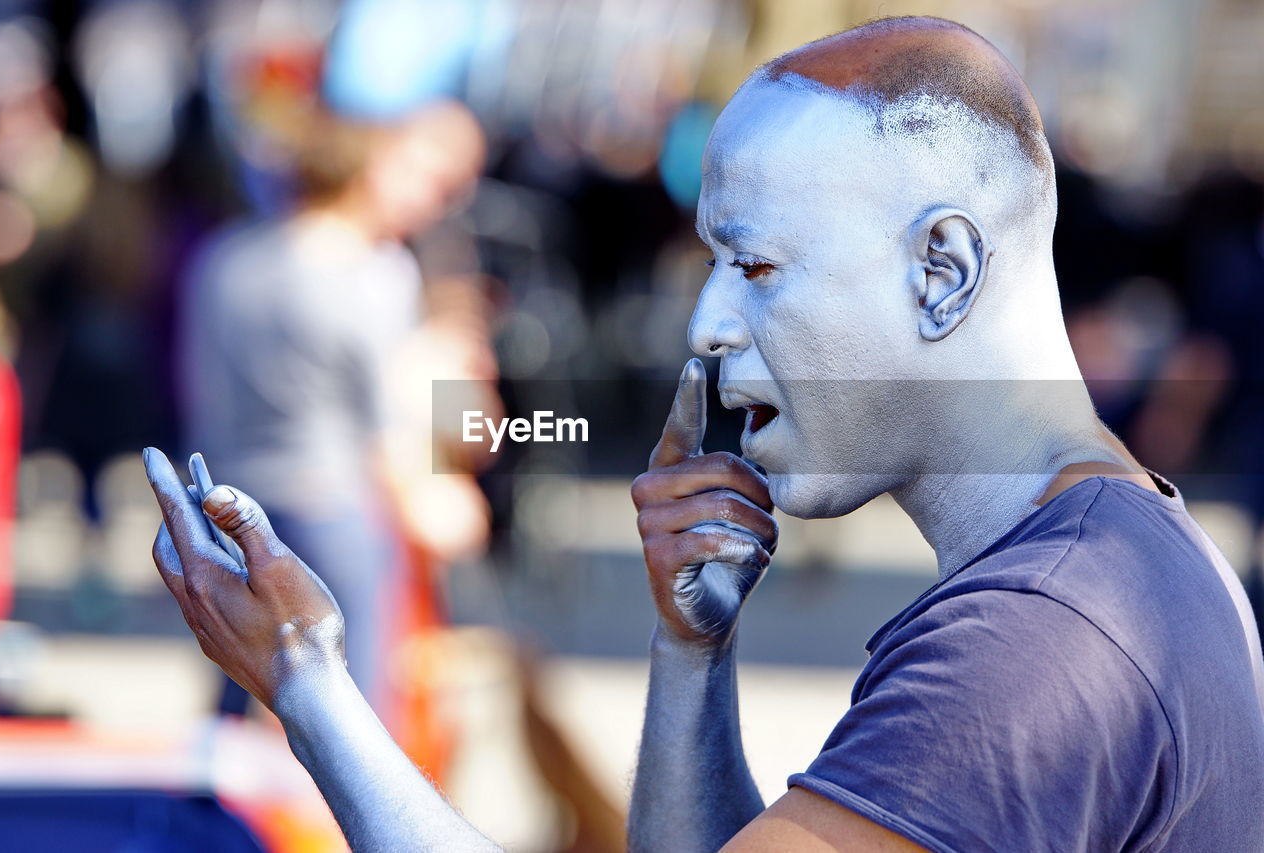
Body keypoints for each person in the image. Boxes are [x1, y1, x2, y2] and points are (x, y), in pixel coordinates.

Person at [145, 17, 1264, 853]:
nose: (706, 326)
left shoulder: (1033, 646)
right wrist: (692, 655)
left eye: (758, 267)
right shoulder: (1134, 559)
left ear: (942, 270)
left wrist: (308, 683)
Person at [179, 99, 486, 715]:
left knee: (238, 687)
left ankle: (215, 812)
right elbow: (388, 424)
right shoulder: (375, 275)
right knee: (354, 710)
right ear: (366, 175)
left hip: (235, 500)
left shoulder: (224, 262)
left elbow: (197, 389)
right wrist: (437, 494)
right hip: (340, 510)